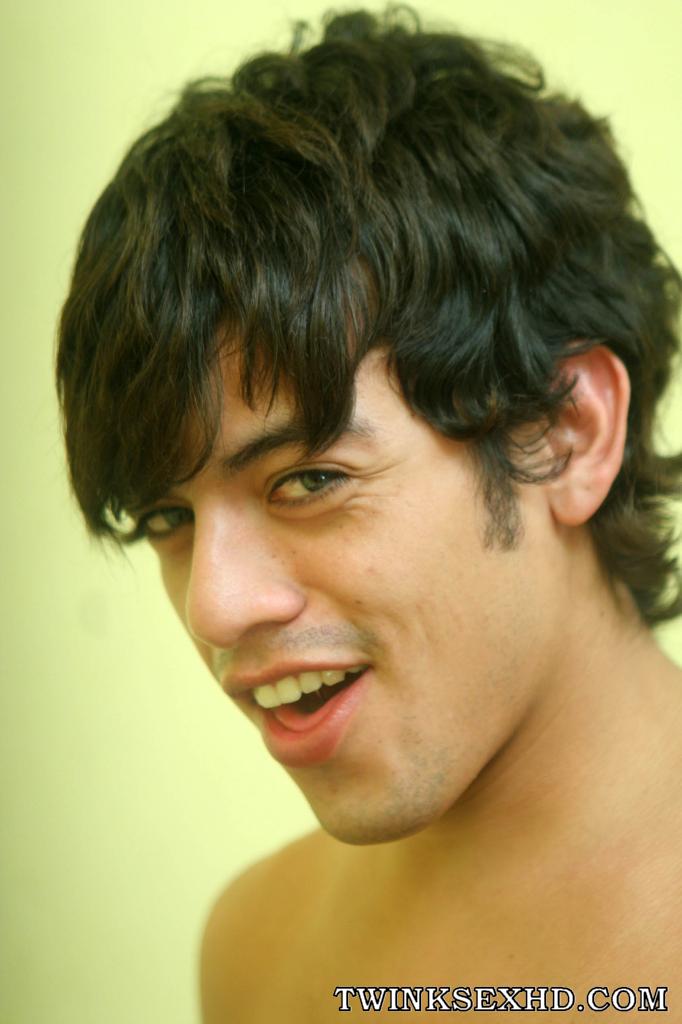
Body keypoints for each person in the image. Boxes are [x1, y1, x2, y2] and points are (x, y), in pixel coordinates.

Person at [56, 8, 681, 1020]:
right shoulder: (256, 950)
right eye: (167, 518)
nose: (214, 608)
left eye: (308, 480)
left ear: (568, 432)